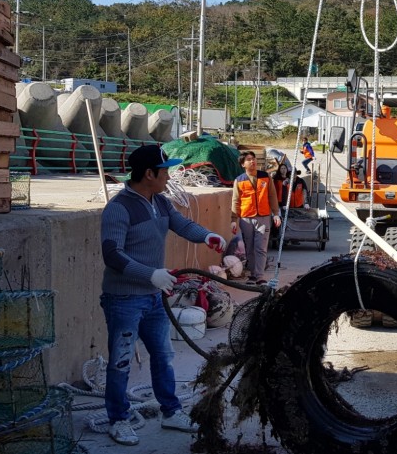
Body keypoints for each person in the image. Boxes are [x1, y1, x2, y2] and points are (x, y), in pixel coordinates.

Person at [100, 145, 226, 446]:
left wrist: (206, 234)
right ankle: (117, 418)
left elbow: (181, 224)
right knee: (120, 360)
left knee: (163, 355)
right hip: (124, 300)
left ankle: (171, 411)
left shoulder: (160, 201)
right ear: (149, 174)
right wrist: (150, 274)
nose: (169, 175)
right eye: (165, 170)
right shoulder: (119, 208)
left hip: (154, 298)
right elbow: (111, 254)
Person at [231, 151, 280, 285]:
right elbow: (236, 201)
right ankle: (252, 275)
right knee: (250, 248)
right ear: (243, 164)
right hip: (246, 218)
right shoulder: (239, 180)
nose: (252, 161)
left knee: (261, 247)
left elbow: (272, 196)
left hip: (264, 217)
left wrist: (276, 213)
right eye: (248, 159)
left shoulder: (266, 177)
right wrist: (234, 220)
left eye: (253, 159)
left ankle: (259, 276)